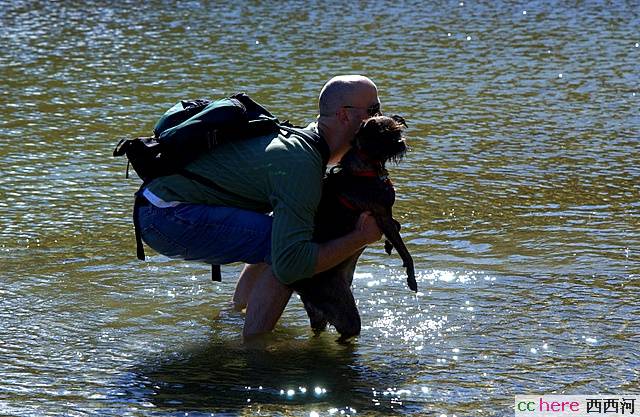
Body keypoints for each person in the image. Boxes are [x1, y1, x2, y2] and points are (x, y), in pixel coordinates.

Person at [136, 75, 383, 339]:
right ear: (345, 116)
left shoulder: (307, 141)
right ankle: (254, 352)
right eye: (374, 111)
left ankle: (235, 311)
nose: (381, 120)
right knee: (286, 249)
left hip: (156, 206)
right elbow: (291, 264)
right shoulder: (301, 163)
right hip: (166, 214)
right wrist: (361, 237)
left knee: (284, 230)